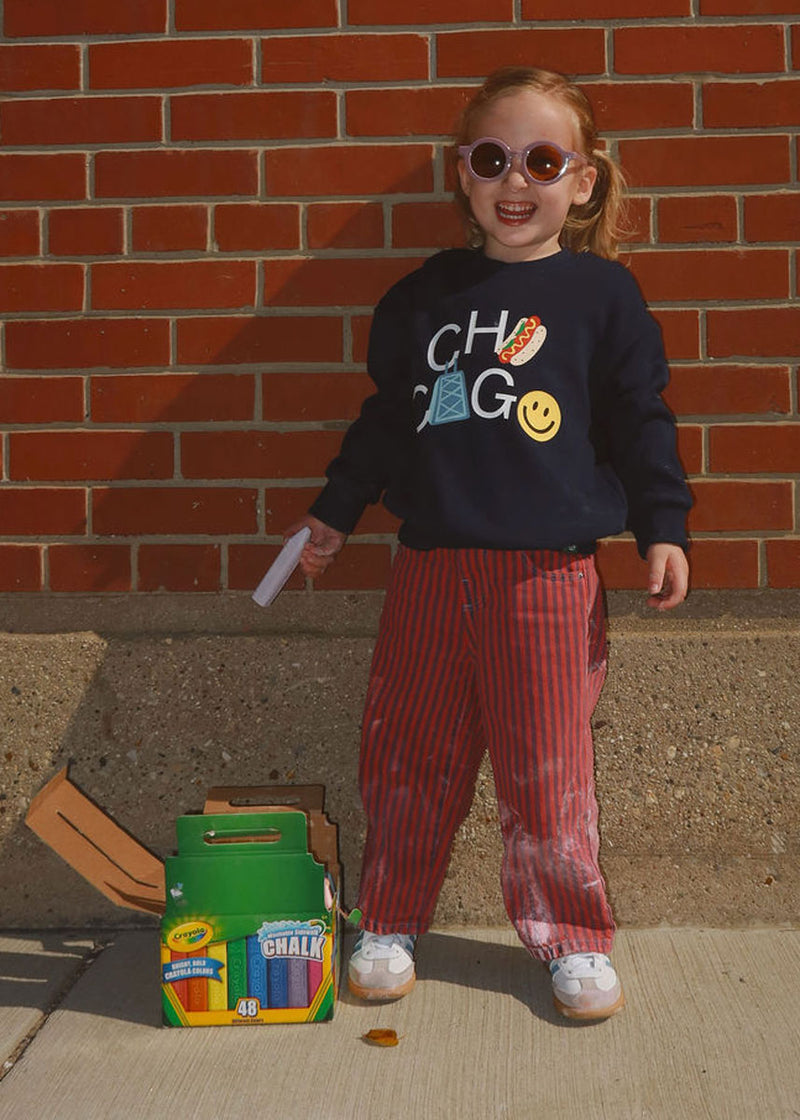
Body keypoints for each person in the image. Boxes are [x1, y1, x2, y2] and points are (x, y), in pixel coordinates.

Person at [284, 66, 692, 1021]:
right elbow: (386, 423)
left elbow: (642, 421)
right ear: (460, 174)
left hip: (550, 574)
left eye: (543, 160)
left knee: (547, 767)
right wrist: (334, 512)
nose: (518, 180)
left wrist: (662, 527)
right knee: (410, 755)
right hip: (431, 568)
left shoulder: (603, 297)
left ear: (582, 181)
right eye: (493, 158)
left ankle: (572, 935)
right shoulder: (423, 298)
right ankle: (388, 917)